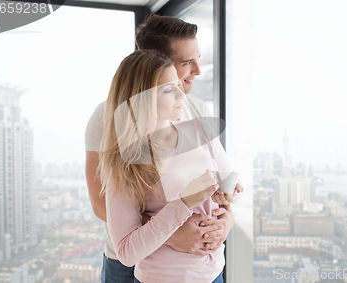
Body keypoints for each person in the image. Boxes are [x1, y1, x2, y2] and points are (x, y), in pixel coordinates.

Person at [85, 14, 238, 282]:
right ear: (154, 64)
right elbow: (103, 205)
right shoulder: (109, 117)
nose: (198, 70)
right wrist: (173, 233)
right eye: (186, 62)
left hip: (204, 265)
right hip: (133, 265)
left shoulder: (197, 112)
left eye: (197, 58)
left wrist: (225, 222)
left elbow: (219, 184)